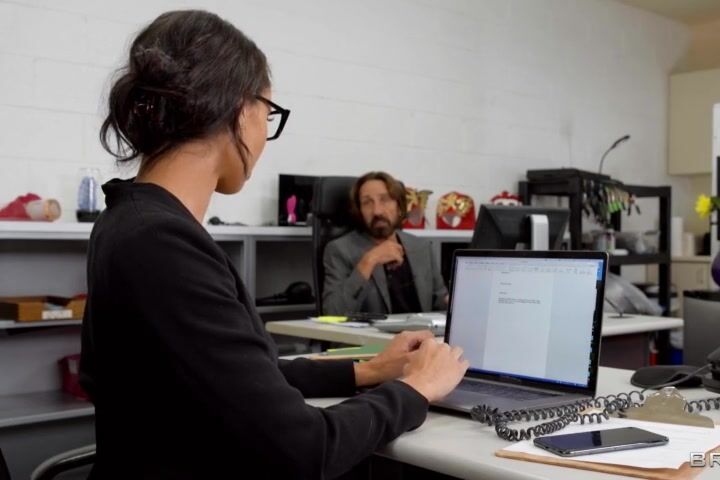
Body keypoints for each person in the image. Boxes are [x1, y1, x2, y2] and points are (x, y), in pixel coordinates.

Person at [80, 10, 468, 479]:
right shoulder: (162, 244)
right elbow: (305, 450)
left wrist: (368, 371)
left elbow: (245, 378)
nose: (265, 134)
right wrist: (419, 388)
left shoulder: (131, 220)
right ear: (239, 110)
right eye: (268, 115)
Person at [323, 172, 449, 315]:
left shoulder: (421, 247)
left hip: (421, 329)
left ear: (399, 207)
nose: (377, 211)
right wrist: (369, 261)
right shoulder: (340, 250)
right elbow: (332, 313)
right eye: (367, 203)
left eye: (385, 200)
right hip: (375, 331)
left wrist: (455, 302)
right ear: (359, 211)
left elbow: (441, 304)